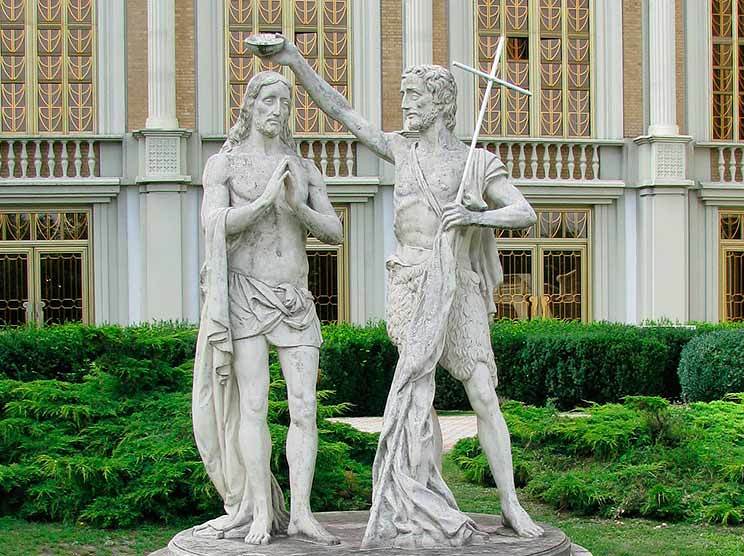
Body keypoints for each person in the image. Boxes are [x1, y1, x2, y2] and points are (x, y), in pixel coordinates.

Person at [259, 39, 544, 548]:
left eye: (413, 96)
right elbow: (343, 112)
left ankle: (511, 503)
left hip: (457, 283)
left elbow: (524, 211)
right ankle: (420, 496)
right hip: (410, 280)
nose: (405, 104)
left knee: (483, 393)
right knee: (418, 395)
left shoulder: (475, 162)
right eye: (404, 96)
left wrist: (475, 215)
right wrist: (297, 62)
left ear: (440, 102)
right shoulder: (401, 149)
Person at [191, 70, 342, 546]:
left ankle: (301, 513)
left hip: (295, 299)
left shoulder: (303, 168)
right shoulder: (224, 165)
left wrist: (297, 205)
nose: (277, 110)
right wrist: (260, 204)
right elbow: (212, 222)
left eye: (284, 102)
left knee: (305, 408)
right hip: (246, 295)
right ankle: (259, 511)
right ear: (250, 106)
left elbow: (335, 232)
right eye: (268, 101)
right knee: (253, 406)